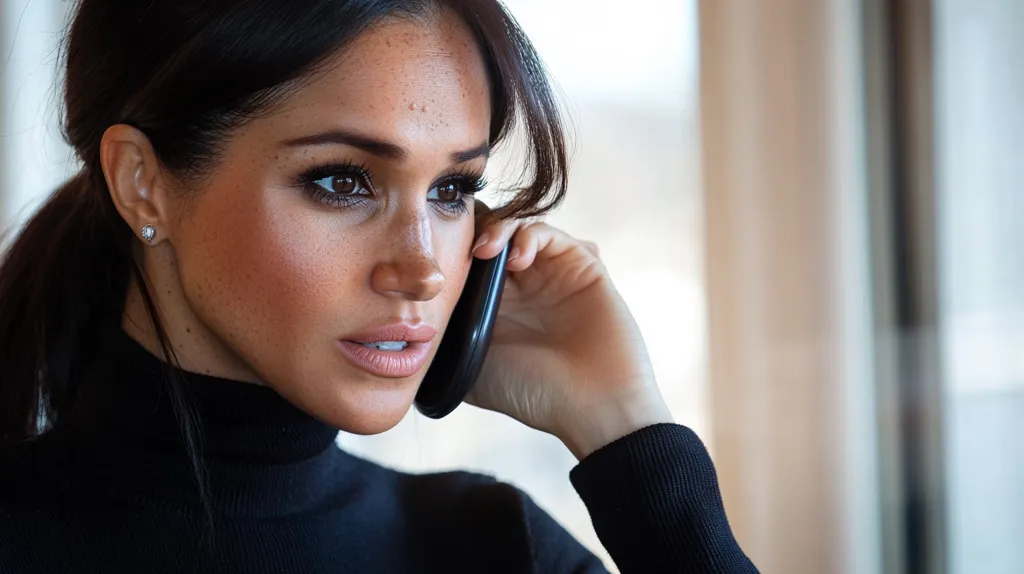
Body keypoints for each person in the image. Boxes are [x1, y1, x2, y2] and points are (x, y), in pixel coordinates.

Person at [0, 1, 757, 572]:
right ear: (143, 183)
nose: (424, 268)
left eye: (454, 189)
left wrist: (627, 429)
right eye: (342, 181)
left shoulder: (496, 550)